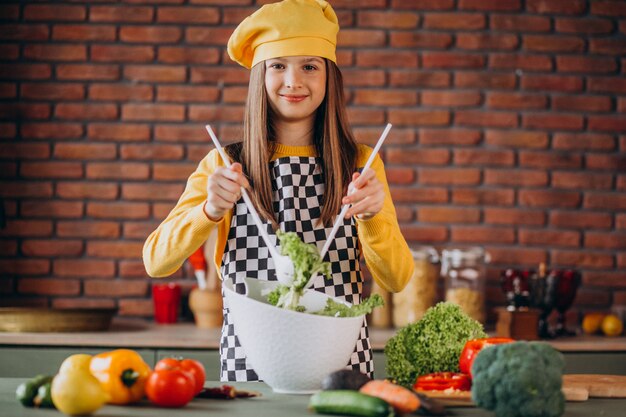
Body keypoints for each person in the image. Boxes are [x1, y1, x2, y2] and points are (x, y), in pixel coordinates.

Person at [143, 0, 414, 381]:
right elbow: (156, 261)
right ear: (260, 76)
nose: (293, 81)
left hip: (340, 369)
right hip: (252, 371)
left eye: (309, 66)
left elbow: (398, 278)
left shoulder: (361, 163)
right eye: (278, 66)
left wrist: (371, 219)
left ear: (329, 76)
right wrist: (208, 211)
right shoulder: (223, 164)